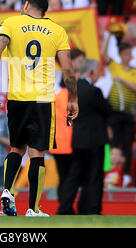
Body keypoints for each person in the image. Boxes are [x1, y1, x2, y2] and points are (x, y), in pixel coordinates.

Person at [0, 0, 79, 217]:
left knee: (17, 148)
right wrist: (73, 98)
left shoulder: (12, 22)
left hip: (16, 97)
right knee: (37, 154)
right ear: (45, 11)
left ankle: (7, 190)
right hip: (42, 99)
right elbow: (68, 69)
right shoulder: (57, 31)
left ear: (25, 5)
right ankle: (33, 210)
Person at [57, 59, 112, 215]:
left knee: (73, 177)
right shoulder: (94, 91)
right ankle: (91, 208)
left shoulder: (71, 90)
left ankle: (64, 207)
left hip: (77, 139)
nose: (99, 76)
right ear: (92, 71)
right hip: (95, 140)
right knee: (94, 176)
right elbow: (108, 111)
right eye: (98, 72)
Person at [101, 33, 136, 180]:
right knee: (112, 142)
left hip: (128, 112)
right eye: (125, 54)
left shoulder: (135, 71)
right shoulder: (114, 66)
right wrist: (108, 36)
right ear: (120, 55)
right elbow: (103, 54)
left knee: (126, 144)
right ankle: (108, 172)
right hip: (114, 112)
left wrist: (122, 80)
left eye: (129, 54)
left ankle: (125, 175)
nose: (127, 56)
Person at [51, 49, 85, 203]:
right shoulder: (72, 97)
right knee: (71, 178)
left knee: (64, 177)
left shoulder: (57, 96)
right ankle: (65, 207)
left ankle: (64, 207)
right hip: (71, 143)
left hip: (58, 144)